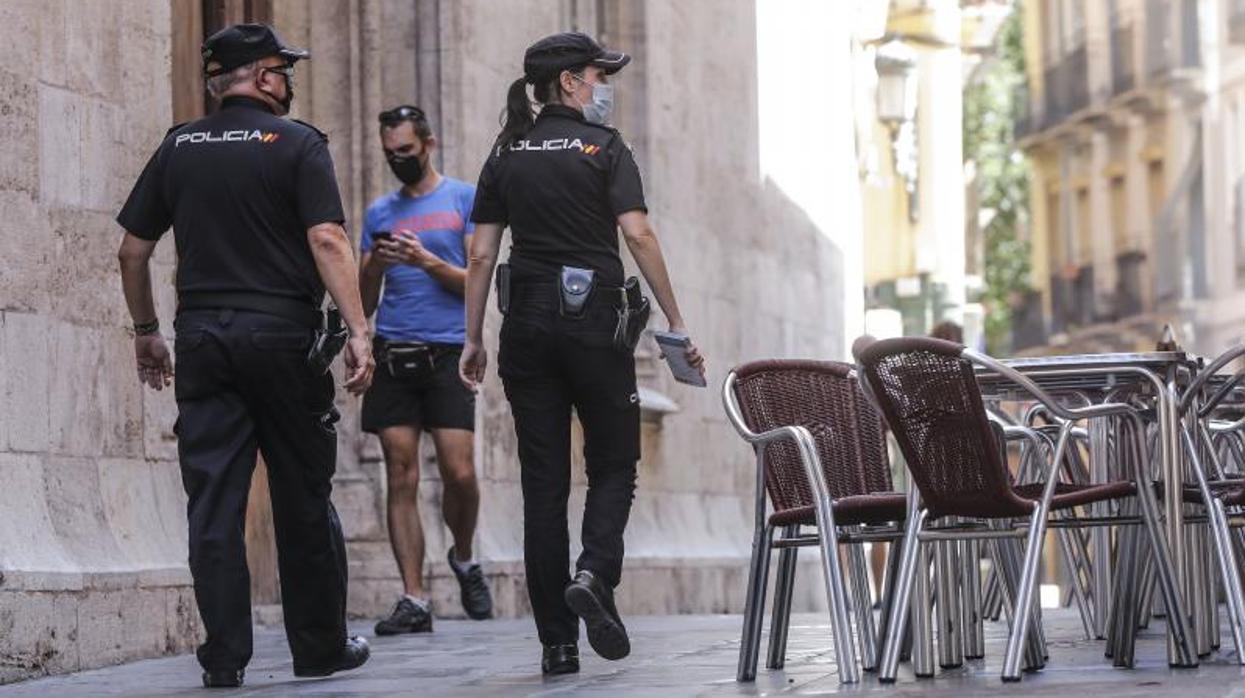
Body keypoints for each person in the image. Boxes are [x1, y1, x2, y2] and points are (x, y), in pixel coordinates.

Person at [115, 23, 374, 689]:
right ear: (262, 77)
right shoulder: (297, 143)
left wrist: (146, 329)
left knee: (213, 501)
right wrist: (359, 329)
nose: (288, 82)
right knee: (302, 495)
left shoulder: (180, 146)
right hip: (282, 338)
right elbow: (326, 237)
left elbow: (132, 251)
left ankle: (223, 657)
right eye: (283, 71)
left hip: (203, 338)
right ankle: (319, 648)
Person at [459, 32, 706, 675]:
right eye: (600, 74)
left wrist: (472, 337)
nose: (605, 86)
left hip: (527, 326)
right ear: (569, 81)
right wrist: (675, 321)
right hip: (595, 320)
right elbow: (639, 234)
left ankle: (557, 643)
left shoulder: (506, 151)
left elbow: (482, 252)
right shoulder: (605, 148)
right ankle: (594, 573)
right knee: (614, 464)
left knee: (543, 486)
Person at [358, 105, 493, 634]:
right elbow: (365, 299)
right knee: (400, 471)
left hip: (447, 353)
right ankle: (414, 597)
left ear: (429, 145)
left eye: (407, 153)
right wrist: (375, 264)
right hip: (395, 350)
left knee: (459, 472)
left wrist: (427, 262)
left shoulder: (462, 199)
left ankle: (463, 556)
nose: (399, 161)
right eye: (390, 154)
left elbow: (475, 283)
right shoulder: (378, 213)